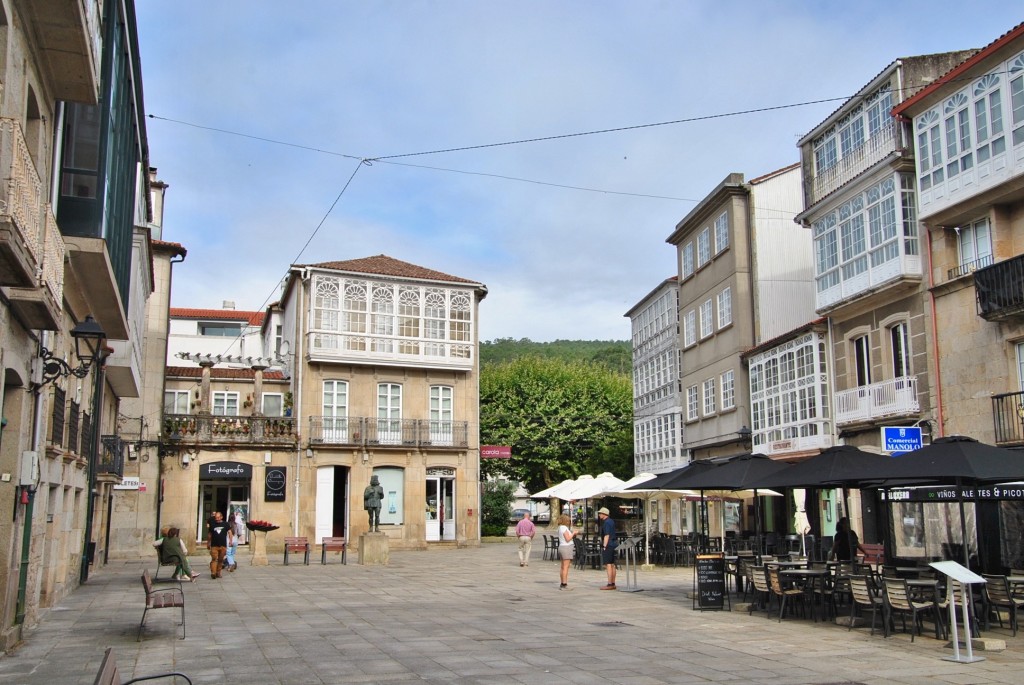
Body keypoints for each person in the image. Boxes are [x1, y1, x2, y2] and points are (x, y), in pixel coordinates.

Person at [597, 507, 618, 590]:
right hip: (614, 544)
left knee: (608, 564)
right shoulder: (611, 521)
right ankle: (613, 582)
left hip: (609, 544)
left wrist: (604, 546)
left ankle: (609, 584)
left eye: (600, 513)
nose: (599, 515)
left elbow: (606, 535)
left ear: (604, 514)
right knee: (612, 564)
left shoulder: (606, 523)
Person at [556, 514, 577, 590]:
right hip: (566, 547)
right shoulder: (564, 528)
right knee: (566, 567)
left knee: (562, 567)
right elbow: (568, 539)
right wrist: (573, 533)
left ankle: (562, 583)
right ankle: (564, 584)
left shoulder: (560, 528)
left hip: (562, 546)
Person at [207, 511, 229, 579]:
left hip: (223, 545)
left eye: (218, 517)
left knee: (220, 560)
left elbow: (230, 532)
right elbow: (210, 534)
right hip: (214, 545)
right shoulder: (212, 524)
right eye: (216, 518)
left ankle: (218, 572)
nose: (217, 519)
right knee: (214, 559)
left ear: (221, 517)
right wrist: (208, 543)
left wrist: (230, 541)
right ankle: (213, 572)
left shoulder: (226, 524)